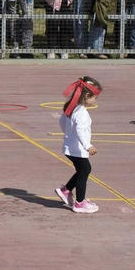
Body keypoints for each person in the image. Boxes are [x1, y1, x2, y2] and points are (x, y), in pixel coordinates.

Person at [57, 76, 101, 214]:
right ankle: (80, 203)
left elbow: (62, 122)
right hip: (77, 149)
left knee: (84, 170)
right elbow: (81, 130)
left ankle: (66, 190)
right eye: (95, 97)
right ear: (87, 95)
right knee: (84, 172)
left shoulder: (71, 108)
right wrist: (88, 145)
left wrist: (67, 135)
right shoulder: (81, 113)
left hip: (69, 147)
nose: (95, 101)